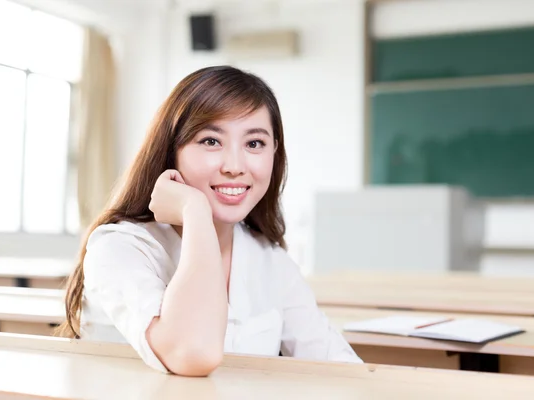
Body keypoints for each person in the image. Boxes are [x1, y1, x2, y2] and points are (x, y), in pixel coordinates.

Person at [58, 66, 362, 376]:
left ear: (275, 154)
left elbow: (339, 366)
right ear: (170, 150)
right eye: (210, 141)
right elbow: (192, 353)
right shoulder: (119, 248)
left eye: (254, 144)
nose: (234, 166)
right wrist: (194, 211)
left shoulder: (269, 258)